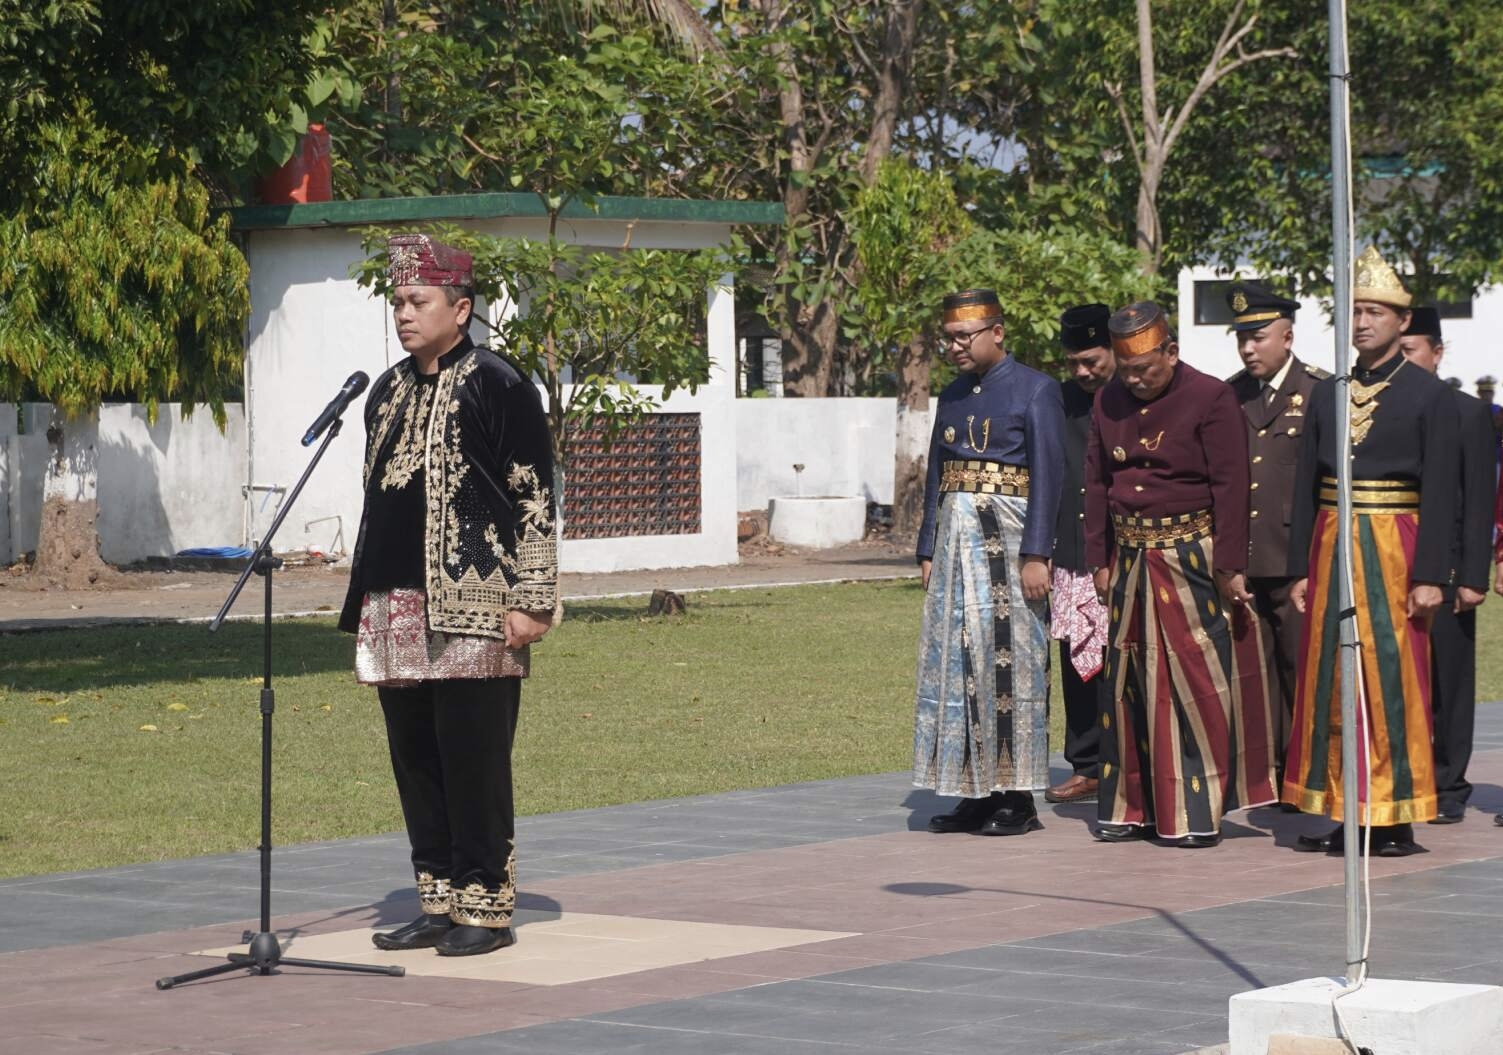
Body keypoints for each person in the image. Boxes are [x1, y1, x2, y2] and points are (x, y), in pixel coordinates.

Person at [338, 234, 558, 956]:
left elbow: (534, 496)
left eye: (417, 301)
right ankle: (436, 899)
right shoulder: (387, 390)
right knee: (417, 757)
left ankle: (485, 907)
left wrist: (534, 596)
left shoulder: (497, 382)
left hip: (477, 604)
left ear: (459, 308)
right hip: (395, 603)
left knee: (473, 754)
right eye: (397, 302)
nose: (402, 314)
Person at [1285, 247, 1460, 856]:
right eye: (1354, 312)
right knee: (1331, 674)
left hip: (1394, 544)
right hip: (1332, 542)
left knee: (1391, 675)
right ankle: (1341, 805)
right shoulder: (1328, 391)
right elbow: (1308, 484)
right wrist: (1297, 571)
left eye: (1375, 313)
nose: (1362, 322)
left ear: (1401, 322)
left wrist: (1433, 573)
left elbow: (1440, 490)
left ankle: (1394, 814)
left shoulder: (1427, 396)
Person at [1085, 301, 1277, 848]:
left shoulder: (1211, 396)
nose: (1136, 380)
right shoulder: (1106, 400)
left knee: (1194, 683)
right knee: (1126, 683)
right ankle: (1130, 807)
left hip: (1190, 557)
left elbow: (1231, 487)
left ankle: (1195, 812)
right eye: (1127, 371)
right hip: (1127, 563)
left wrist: (1229, 566)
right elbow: (1096, 483)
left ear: (1171, 351)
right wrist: (1098, 559)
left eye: (1145, 368)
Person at [915, 288, 1066, 837]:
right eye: (948, 337)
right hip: (956, 548)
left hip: (1009, 547)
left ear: (997, 332)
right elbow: (937, 471)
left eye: (964, 337)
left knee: (1009, 663)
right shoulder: (952, 394)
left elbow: (1051, 478)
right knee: (957, 664)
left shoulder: (1036, 390)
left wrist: (1037, 554)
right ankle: (970, 791)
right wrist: (928, 546)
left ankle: (1016, 796)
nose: (953, 347)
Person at [1222, 282, 1328, 781]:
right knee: (1254, 677)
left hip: (1296, 560)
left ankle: (1308, 769)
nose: (1247, 348)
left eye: (1258, 337)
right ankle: (1270, 773)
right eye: (1241, 338)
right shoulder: (1228, 395)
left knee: (1300, 669)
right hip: (1245, 559)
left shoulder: (1319, 391)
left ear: (1287, 336)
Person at [1398, 307, 1493, 824]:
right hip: (1391, 563)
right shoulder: (1382, 409)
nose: (1406, 362)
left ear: (1437, 352)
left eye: (1412, 351)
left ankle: (1448, 783)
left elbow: (1478, 500)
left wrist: (1474, 576)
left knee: (1449, 682)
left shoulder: (1467, 413)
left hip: (1452, 569)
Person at [1045, 303, 1115, 806]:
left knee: (1125, 663)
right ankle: (1088, 764)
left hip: (1126, 551)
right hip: (1071, 551)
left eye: (1091, 361)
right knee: (1078, 662)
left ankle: (1132, 765)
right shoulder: (1058, 400)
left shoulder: (1136, 396)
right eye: (1073, 363)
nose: (1082, 373)